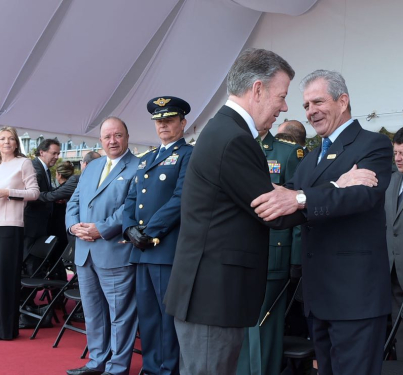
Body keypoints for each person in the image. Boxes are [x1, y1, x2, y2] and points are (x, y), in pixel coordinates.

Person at [163, 48, 305, 375]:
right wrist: (322, 195)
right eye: (281, 96)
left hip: (210, 296)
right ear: (257, 89)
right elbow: (275, 212)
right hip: (214, 299)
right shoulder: (233, 139)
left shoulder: (224, 131)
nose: (284, 107)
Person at [251, 70, 393, 375]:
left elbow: (359, 197)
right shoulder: (312, 157)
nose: (310, 111)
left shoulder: (373, 145)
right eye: (306, 105)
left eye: (318, 102)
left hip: (356, 298)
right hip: (319, 297)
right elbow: (286, 203)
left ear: (342, 101)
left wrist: (300, 198)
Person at [122, 96, 193, 375]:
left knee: (166, 318)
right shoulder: (148, 158)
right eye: (159, 121)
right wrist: (129, 229)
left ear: (182, 122)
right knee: (148, 317)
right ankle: (151, 368)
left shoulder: (188, 155)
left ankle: (167, 370)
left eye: (169, 120)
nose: (163, 125)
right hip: (140, 250)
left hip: (164, 248)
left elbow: (181, 198)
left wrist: (149, 232)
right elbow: (130, 198)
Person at [66, 116, 139, 375]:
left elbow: (130, 207)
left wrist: (102, 229)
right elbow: (73, 201)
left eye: (117, 135)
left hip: (114, 251)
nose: (112, 141)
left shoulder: (138, 167)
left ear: (127, 137)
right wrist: (73, 226)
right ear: (100, 140)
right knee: (94, 313)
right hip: (85, 253)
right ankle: (97, 362)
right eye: (107, 136)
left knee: (120, 315)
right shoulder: (93, 166)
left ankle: (117, 368)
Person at [237, 128, 303, 375]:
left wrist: (295, 259)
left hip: (272, 256)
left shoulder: (287, 152)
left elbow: (297, 209)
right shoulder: (234, 148)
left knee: (263, 329)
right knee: (239, 328)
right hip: (238, 252)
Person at [0, 126, 39, 341]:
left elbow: (34, 193)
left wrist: (7, 193)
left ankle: (7, 328)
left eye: (10, 139)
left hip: (11, 224)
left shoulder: (24, 163)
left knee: (6, 276)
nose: (6, 142)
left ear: (16, 143)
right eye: (2, 138)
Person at [24, 139, 61, 274]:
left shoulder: (45, 169)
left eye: (58, 154)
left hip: (40, 225)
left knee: (35, 262)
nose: (57, 157)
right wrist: (55, 196)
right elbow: (33, 195)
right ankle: (26, 293)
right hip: (31, 225)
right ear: (42, 152)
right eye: (54, 153)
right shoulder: (34, 168)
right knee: (29, 262)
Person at [386, 127, 403, 359]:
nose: (398, 158)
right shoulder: (391, 182)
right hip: (393, 274)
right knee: (399, 335)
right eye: (396, 153)